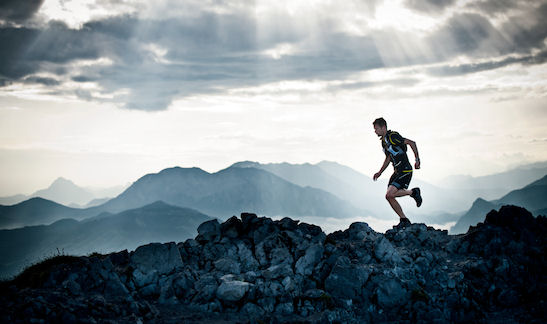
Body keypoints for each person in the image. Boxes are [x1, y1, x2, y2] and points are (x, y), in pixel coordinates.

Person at [372, 117, 422, 227]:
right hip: (397, 171)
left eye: (376, 128)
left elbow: (411, 143)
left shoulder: (392, 136)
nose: (375, 131)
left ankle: (413, 192)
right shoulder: (384, 142)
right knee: (389, 196)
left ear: (383, 127)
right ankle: (404, 219)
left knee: (390, 194)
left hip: (405, 170)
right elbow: (388, 158)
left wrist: (417, 160)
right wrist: (380, 172)